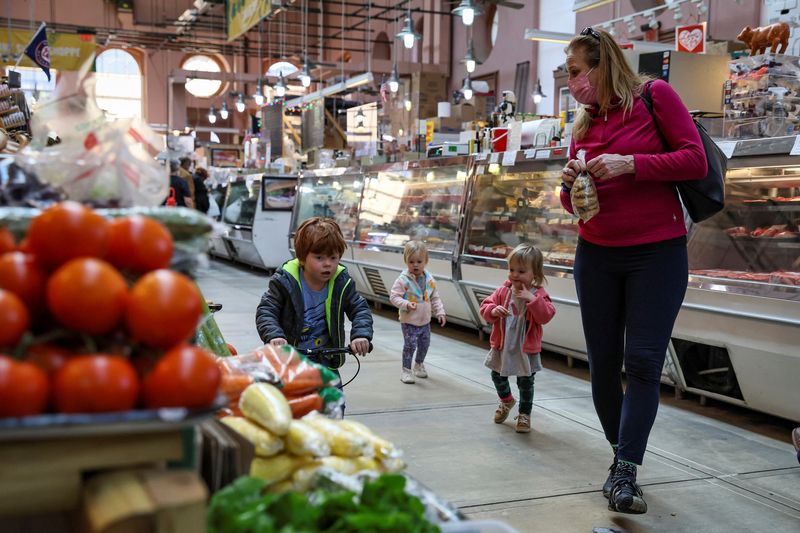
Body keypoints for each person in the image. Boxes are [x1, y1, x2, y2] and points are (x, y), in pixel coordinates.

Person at [559, 27, 707, 514]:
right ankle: (620, 459)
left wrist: (631, 165)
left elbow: (694, 159)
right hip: (596, 254)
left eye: (576, 71)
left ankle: (625, 472)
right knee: (603, 363)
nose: (571, 81)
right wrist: (569, 185)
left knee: (642, 361)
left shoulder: (654, 96)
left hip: (656, 254)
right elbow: (572, 203)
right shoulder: (582, 123)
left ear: (603, 67)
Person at [255, 217, 373, 387]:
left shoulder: (342, 282)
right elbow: (267, 310)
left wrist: (361, 334)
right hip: (291, 358)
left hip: (325, 357)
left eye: (333, 257)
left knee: (334, 400)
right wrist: (275, 335)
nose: (328, 264)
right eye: (319, 258)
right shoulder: (285, 282)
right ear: (302, 257)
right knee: (292, 403)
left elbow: (359, 308)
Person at [479, 243, 555, 434]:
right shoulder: (503, 291)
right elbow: (485, 306)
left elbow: (546, 316)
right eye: (511, 269)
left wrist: (532, 299)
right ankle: (506, 401)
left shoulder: (538, 295)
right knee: (496, 375)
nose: (514, 275)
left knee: (526, 382)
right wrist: (493, 310)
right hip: (503, 344)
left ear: (535, 274)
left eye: (521, 271)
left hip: (525, 348)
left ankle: (524, 414)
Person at [389, 241, 446, 384]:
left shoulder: (429, 280)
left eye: (419, 261)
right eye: (411, 261)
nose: (415, 265)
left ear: (426, 261)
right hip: (409, 321)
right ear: (406, 261)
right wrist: (406, 304)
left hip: (425, 321)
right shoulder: (403, 280)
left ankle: (419, 364)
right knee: (410, 345)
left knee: (424, 344)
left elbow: (435, 297)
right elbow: (394, 297)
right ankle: (406, 371)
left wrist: (440, 312)